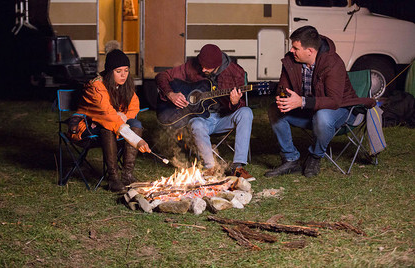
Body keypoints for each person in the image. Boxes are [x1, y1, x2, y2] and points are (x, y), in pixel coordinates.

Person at [265, 26, 375, 178]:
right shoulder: (291, 60)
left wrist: (301, 101)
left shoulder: (333, 63)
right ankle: (290, 158)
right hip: (309, 110)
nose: (291, 51)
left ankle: (315, 156)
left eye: (295, 48)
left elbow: (334, 101)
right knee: (274, 109)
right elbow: (283, 87)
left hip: (341, 111)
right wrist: (283, 97)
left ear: (309, 51)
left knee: (322, 116)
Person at [155, 44, 254, 180]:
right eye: (201, 65)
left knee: (246, 113)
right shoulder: (193, 66)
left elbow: (240, 105)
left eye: (207, 67)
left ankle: (238, 167)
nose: (202, 69)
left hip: (224, 117)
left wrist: (235, 102)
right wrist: (171, 94)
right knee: (196, 124)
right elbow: (162, 76)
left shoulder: (235, 72)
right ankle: (210, 168)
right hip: (202, 119)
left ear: (217, 64)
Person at [71, 49, 151, 192]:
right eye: (118, 71)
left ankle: (127, 175)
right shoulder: (96, 87)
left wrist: (124, 116)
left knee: (136, 124)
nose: (123, 75)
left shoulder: (125, 85)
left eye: (126, 70)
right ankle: (113, 178)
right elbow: (107, 114)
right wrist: (137, 141)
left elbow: (134, 106)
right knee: (107, 128)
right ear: (109, 72)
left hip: (114, 123)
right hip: (87, 127)